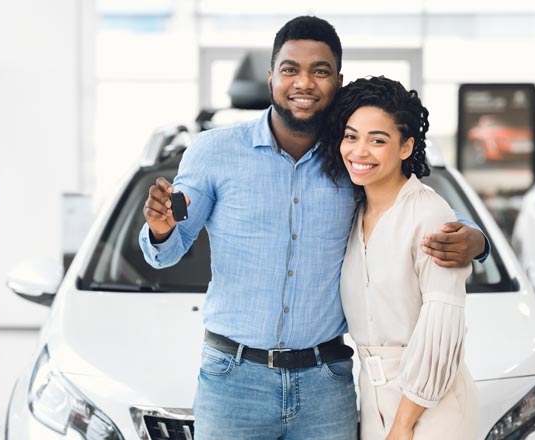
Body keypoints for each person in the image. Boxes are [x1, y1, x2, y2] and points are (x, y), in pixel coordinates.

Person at [139, 16, 486, 440]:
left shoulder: (353, 157)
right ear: (271, 77)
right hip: (233, 381)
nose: (304, 82)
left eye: (319, 71)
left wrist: (475, 238)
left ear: (337, 81)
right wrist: (160, 230)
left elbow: (408, 203)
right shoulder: (213, 153)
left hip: (327, 383)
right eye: (290, 70)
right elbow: (171, 247)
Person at [321, 75, 479, 440]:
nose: (360, 152)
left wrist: (403, 424)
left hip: (429, 405)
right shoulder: (354, 213)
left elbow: (442, 327)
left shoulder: (428, 214)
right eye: (351, 136)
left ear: (406, 147)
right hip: (373, 402)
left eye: (378, 140)